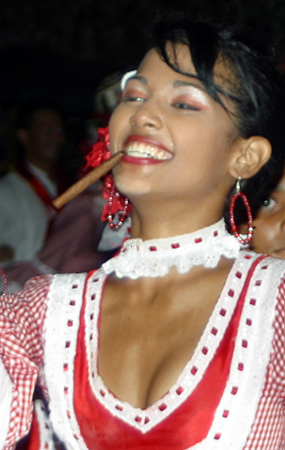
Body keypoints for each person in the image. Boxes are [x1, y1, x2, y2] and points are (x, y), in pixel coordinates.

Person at [1, 16, 285, 450]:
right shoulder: (43, 311)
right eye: (134, 96)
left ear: (246, 157)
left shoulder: (275, 300)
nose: (143, 114)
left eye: (185, 103)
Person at [0, 103, 66, 266]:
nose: (56, 138)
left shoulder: (71, 188)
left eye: (59, 130)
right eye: (46, 130)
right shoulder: (5, 191)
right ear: (24, 136)